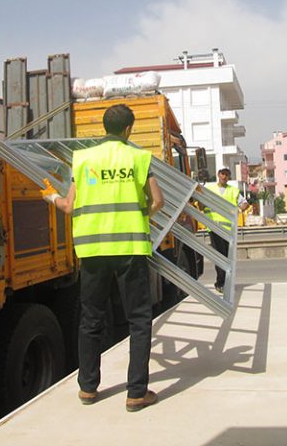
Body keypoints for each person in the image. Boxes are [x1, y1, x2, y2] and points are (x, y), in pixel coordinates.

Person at [42, 104, 164, 412]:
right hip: (130, 248)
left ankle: (88, 388)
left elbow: (69, 206)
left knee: (91, 319)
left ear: (105, 127)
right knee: (138, 319)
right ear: (128, 130)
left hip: (92, 250)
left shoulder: (83, 159)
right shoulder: (138, 158)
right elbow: (158, 202)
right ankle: (136, 392)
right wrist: (139, 217)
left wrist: (50, 196)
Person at [204, 167, 249, 293]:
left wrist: (239, 210)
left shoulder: (233, 191)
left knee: (226, 257)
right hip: (214, 228)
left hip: (228, 229)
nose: (224, 176)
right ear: (218, 175)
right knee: (220, 256)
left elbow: (244, 204)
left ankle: (224, 282)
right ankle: (221, 282)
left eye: (227, 175)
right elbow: (202, 205)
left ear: (229, 177)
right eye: (222, 174)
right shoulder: (210, 189)